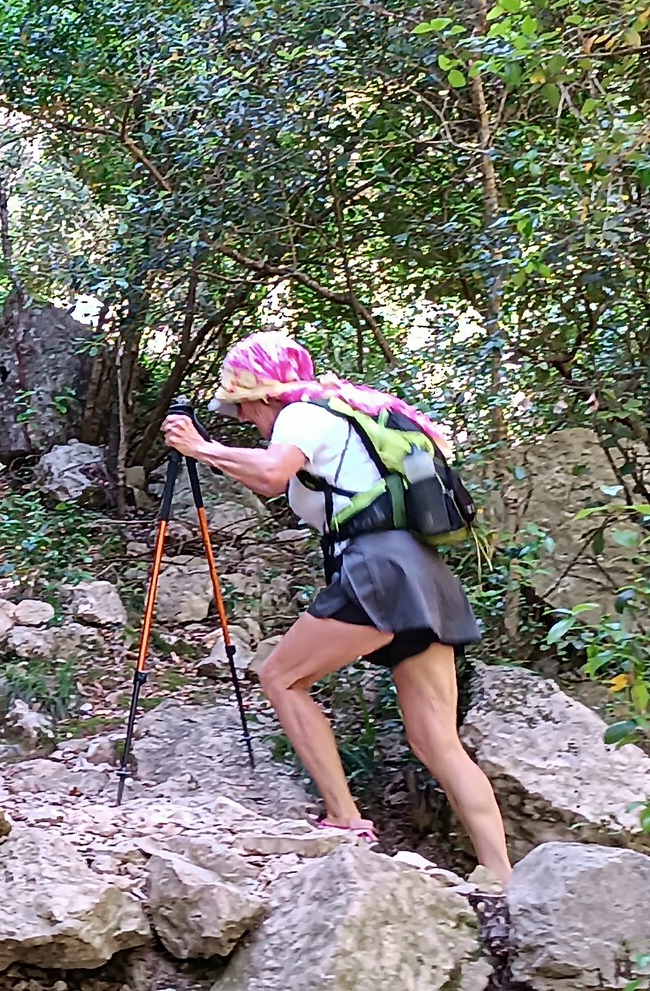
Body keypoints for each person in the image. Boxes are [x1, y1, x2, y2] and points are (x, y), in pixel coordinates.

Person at [161, 331, 513, 884]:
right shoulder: (343, 413)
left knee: (280, 676)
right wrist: (212, 453)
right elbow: (273, 476)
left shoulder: (301, 415)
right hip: (422, 573)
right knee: (435, 741)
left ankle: (345, 818)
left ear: (264, 395)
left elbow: (272, 475)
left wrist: (200, 448)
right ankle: (501, 876)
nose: (245, 419)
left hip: (378, 569)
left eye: (244, 407)